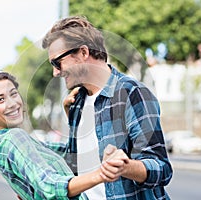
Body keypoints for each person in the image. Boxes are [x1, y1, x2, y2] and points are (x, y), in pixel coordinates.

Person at [42, 16, 173, 199]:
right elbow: (77, 165)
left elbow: (162, 168)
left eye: (57, 63)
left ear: (83, 53)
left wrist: (126, 167)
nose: (55, 72)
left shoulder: (132, 93)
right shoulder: (76, 103)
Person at [0, 70, 129, 200]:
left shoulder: (0, 144)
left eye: (13, 94)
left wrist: (71, 116)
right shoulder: (13, 138)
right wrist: (102, 174)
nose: (12, 104)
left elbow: (71, 156)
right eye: (0, 100)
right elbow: (49, 186)